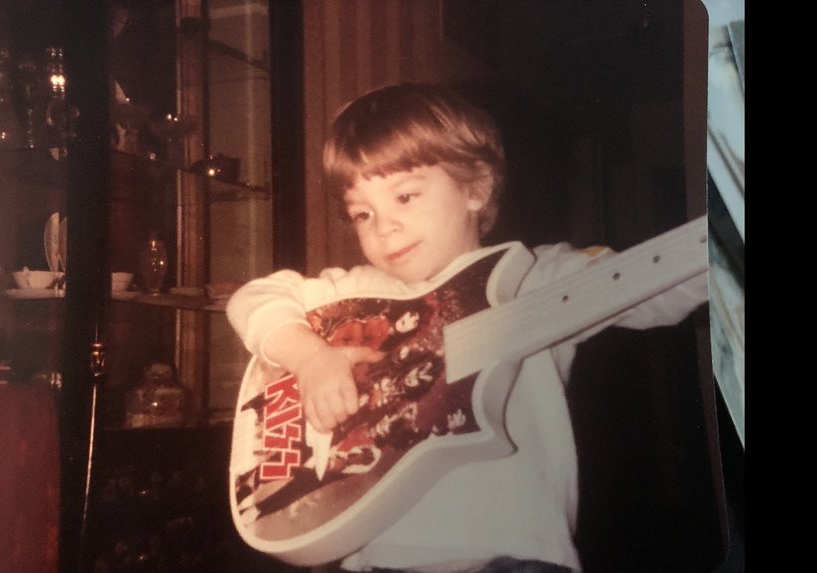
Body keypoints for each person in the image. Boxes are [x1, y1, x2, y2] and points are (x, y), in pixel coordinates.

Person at [226, 83, 708, 573]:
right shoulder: (359, 292)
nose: (384, 226)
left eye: (406, 196)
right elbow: (255, 297)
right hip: (375, 557)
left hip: (511, 555)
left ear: (475, 189)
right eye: (362, 214)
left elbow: (661, 295)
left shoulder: (533, 278)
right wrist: (310, 358)